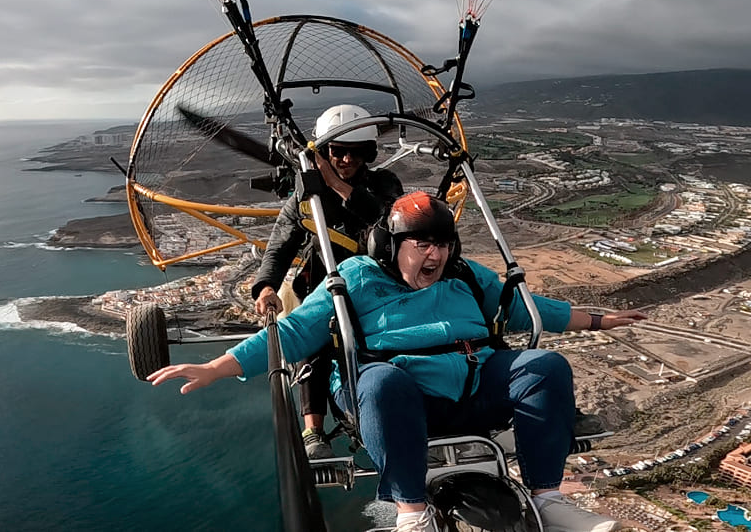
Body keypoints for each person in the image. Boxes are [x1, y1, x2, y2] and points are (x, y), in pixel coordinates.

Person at [149, 191, 646, 532]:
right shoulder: (356, 279)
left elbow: (528, 309)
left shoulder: (466, 277)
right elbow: (297, 331)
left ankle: (547, 499)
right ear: (393, 245)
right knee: (383, 380)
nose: (435, 254)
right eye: (422, 244)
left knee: (547, 367)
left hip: (470, 387)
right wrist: (218, 367)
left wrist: (598, 321)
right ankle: (411, 511)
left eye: (443, 244)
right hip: (395, 394)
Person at [252, 103, 403, 459]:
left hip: (376, 285)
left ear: (369, 153)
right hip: (321, 285)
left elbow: (388, 222)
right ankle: (313, 429)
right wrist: (267, 286)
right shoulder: (305, 200)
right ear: (325, 152)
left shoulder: (383, 185)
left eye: (357, 152)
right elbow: (279, 247)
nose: (347, 160)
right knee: (314, 338)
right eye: (338, 152)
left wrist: (332, 184)